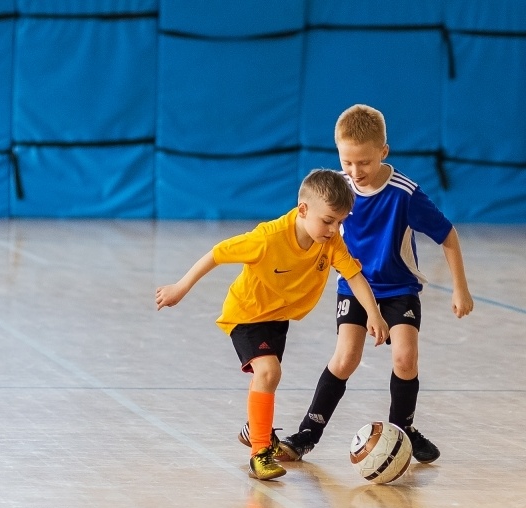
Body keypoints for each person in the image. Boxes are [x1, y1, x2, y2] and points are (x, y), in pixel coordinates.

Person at [271, 103, 474, 464]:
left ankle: (402, 433)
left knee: (405, 358)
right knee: (346, 357)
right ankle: (306, 434)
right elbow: (309, 228)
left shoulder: (405, 194)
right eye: (347, 162)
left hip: (399, 288)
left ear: (384, 151)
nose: (354, 171)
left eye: (363, 162)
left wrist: (460, 288)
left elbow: (448, 236)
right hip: (354, 285)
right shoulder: (339, 189)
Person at [156, 169, 389, 481]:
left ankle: (257, 429)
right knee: (269, 372)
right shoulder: (268, 238)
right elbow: (217, 254)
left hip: (277, 318)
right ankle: (259, 453)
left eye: (341, 222)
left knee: (266, 378)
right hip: (247, 313)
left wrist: (373, 313)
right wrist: (180, 287)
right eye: (328, 220)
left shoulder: (329, 242)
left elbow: (354, 275)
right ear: (304, 210)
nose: (334, 229)